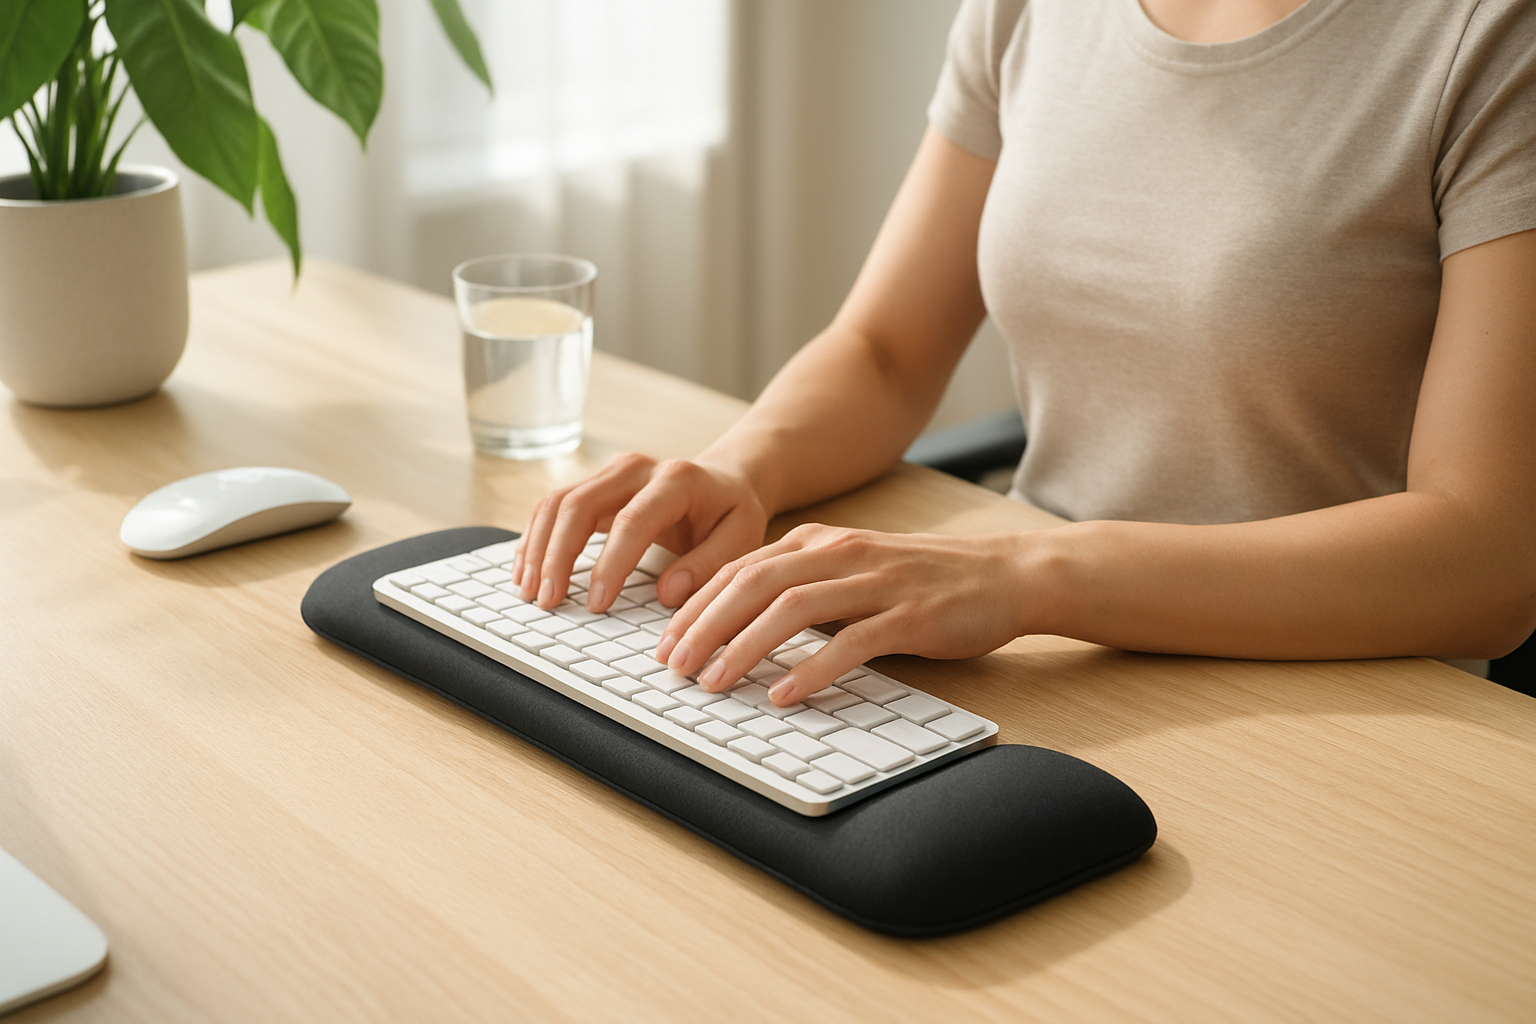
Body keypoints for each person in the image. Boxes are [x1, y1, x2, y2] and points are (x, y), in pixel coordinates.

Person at [512, 0, 1536, 707]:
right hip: (1055, 666)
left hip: (1354, 700)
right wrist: (743, 467)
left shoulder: (1491, 36)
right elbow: (884, 349)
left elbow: (1489, 557)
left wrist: (1031, 572)